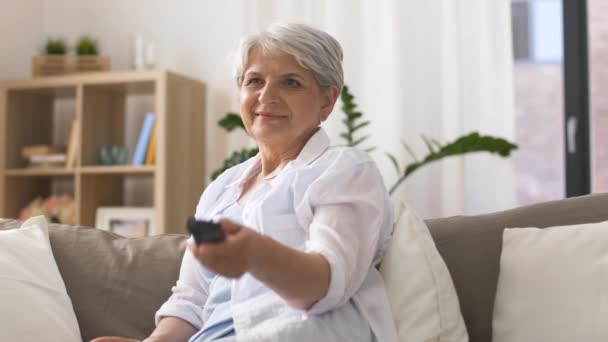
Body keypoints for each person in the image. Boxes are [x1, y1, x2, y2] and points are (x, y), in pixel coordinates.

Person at [92, 23, 398, 342]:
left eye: (290, 82)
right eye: (255, 81)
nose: (267, 96)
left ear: (327, 101)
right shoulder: (221, 189)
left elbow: (328, 284)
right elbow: (192, 299)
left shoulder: (344, 171)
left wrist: (256, 255)